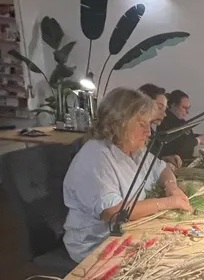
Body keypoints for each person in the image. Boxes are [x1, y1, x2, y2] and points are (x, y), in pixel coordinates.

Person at [62, 88, 192, 262]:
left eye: (149, 124)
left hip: (129, 233)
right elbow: (115, 213)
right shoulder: (96, 157)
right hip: (97, 247)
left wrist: (171, 187)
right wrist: (168, 202)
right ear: (119, 122)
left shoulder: (134, 151)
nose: (149, 132)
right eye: (142, 124)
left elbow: (162, 168)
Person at [155, 89, 204, 164]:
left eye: (188, 108)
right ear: (173, 105)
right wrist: (198, 140)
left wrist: (198, 136)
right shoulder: (166, 121)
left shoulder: (181, 120)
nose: (187, 112)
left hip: (186, 162)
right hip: (174, 165)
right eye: (184, 108)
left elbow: (184, 136)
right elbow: (179, 145)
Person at [138, 83, 182, 169]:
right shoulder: (134, 135)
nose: (164, 114)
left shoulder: (151, 133)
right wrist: (160, 166)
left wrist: (164, 158)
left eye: (165, 109)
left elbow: (149, 156)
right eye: (159, 107)